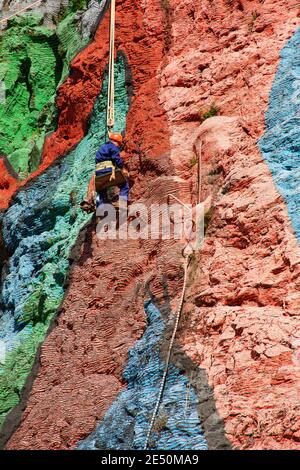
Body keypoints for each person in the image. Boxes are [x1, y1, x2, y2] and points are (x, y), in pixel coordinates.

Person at [80, 132, 129, 213]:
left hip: (99, 173)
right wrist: (122, 168)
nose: (118, 146)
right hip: (108, 171)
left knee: (102, 191)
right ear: (117, 142)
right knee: (124, 185)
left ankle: (100, 209)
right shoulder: (113, 147)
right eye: (119, 144)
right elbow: (116, 159)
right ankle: (122, 204)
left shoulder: (101, 148)